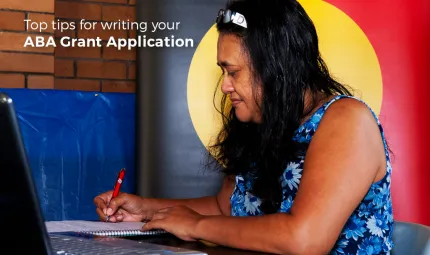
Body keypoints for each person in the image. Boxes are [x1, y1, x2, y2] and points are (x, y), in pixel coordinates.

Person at [94, 0, 394, 254]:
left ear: (276, 69)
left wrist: (195, 225)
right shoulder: (262, 122)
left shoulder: (346, 120)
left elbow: (305, 238)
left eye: (233, 72)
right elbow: (225, 208)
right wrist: (146, 210)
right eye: (223, 71)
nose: (225, 85)